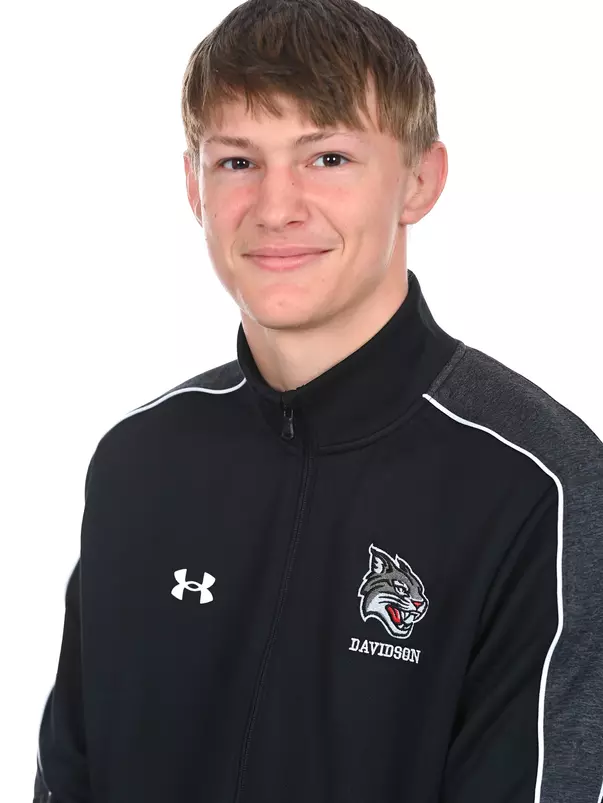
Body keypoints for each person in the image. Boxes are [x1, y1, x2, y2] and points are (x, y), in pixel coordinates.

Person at [33, 0, 603, 801]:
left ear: (418, 179)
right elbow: (68, 776)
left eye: (327, 157)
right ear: (193, 185)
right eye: (237, 162)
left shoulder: (540, 488)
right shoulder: (137, 459)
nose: (275, 207)